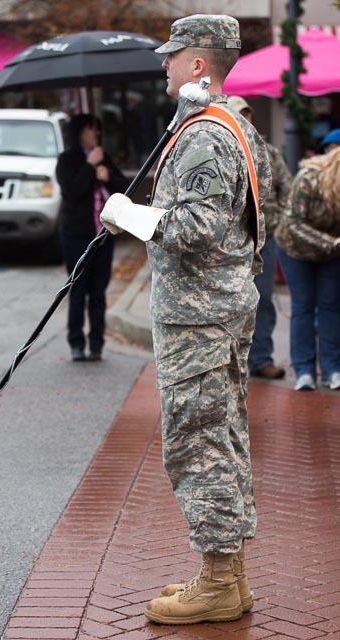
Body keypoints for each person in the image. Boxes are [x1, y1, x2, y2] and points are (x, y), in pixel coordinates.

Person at [100, 14, 271, 625]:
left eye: (173, 56)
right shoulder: (236, 128)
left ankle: (220, 580)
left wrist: (132, 216)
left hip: (200, 318)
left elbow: (198, 228)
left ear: (199, 64)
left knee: (197, 443)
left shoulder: (206, 135)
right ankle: (227, 576)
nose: (165, 64)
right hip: (216, 311)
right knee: (220, 438)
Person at [227, 95, 291, 380]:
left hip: (265, 238)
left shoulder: (270, 153)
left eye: (247, 114)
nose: (245, 120)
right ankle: (231, 360)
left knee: (262, 298)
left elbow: (288, 191)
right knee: (231, 301)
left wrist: (274, 222)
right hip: (231, 241)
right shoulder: (222, 151)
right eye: (238, 114)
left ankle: (261, 357)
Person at [56, 114, 129, 362]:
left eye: (97, 130)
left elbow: (123, 189)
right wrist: (89, 167)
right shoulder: (67, 160)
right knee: (78, 291)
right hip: (77, 236)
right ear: (79, 133)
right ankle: (76, 341)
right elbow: (72, 190)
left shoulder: (103, 158)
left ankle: (96, 342)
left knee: (98, 292)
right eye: (90, 130)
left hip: (103, 237)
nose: (94, 134)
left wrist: (107, 176)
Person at [275, 147, 340, 391]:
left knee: (330, 305)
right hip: (296, 250)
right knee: (303, 305)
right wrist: (330, 242)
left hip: (332, 254)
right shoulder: (308, 179)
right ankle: (304, 371)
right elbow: (292, 222)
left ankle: (332, 369)